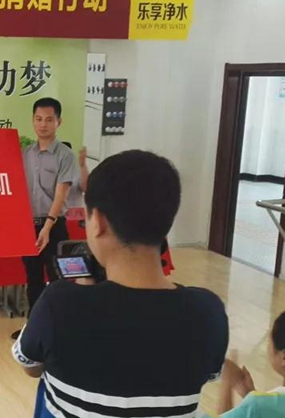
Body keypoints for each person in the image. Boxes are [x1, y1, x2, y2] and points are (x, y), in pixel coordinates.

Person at [12, 150, 229, 418]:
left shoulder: (58, 302)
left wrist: (81, 294)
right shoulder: (208, 310)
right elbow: (208, 373)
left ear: (99, 222)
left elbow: (30, 365)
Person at [12, 97, 88, 340]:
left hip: (54, 226)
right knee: (32, 278)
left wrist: (46, 227)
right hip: (28, 226)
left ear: (58, 122)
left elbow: (60, 194)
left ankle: (59, 328)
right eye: (38, 119)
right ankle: (33, 328)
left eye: (48, 119)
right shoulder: (25, 154)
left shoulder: (65, 155)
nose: (42, 124)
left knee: (57, 278)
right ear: (33, 120)